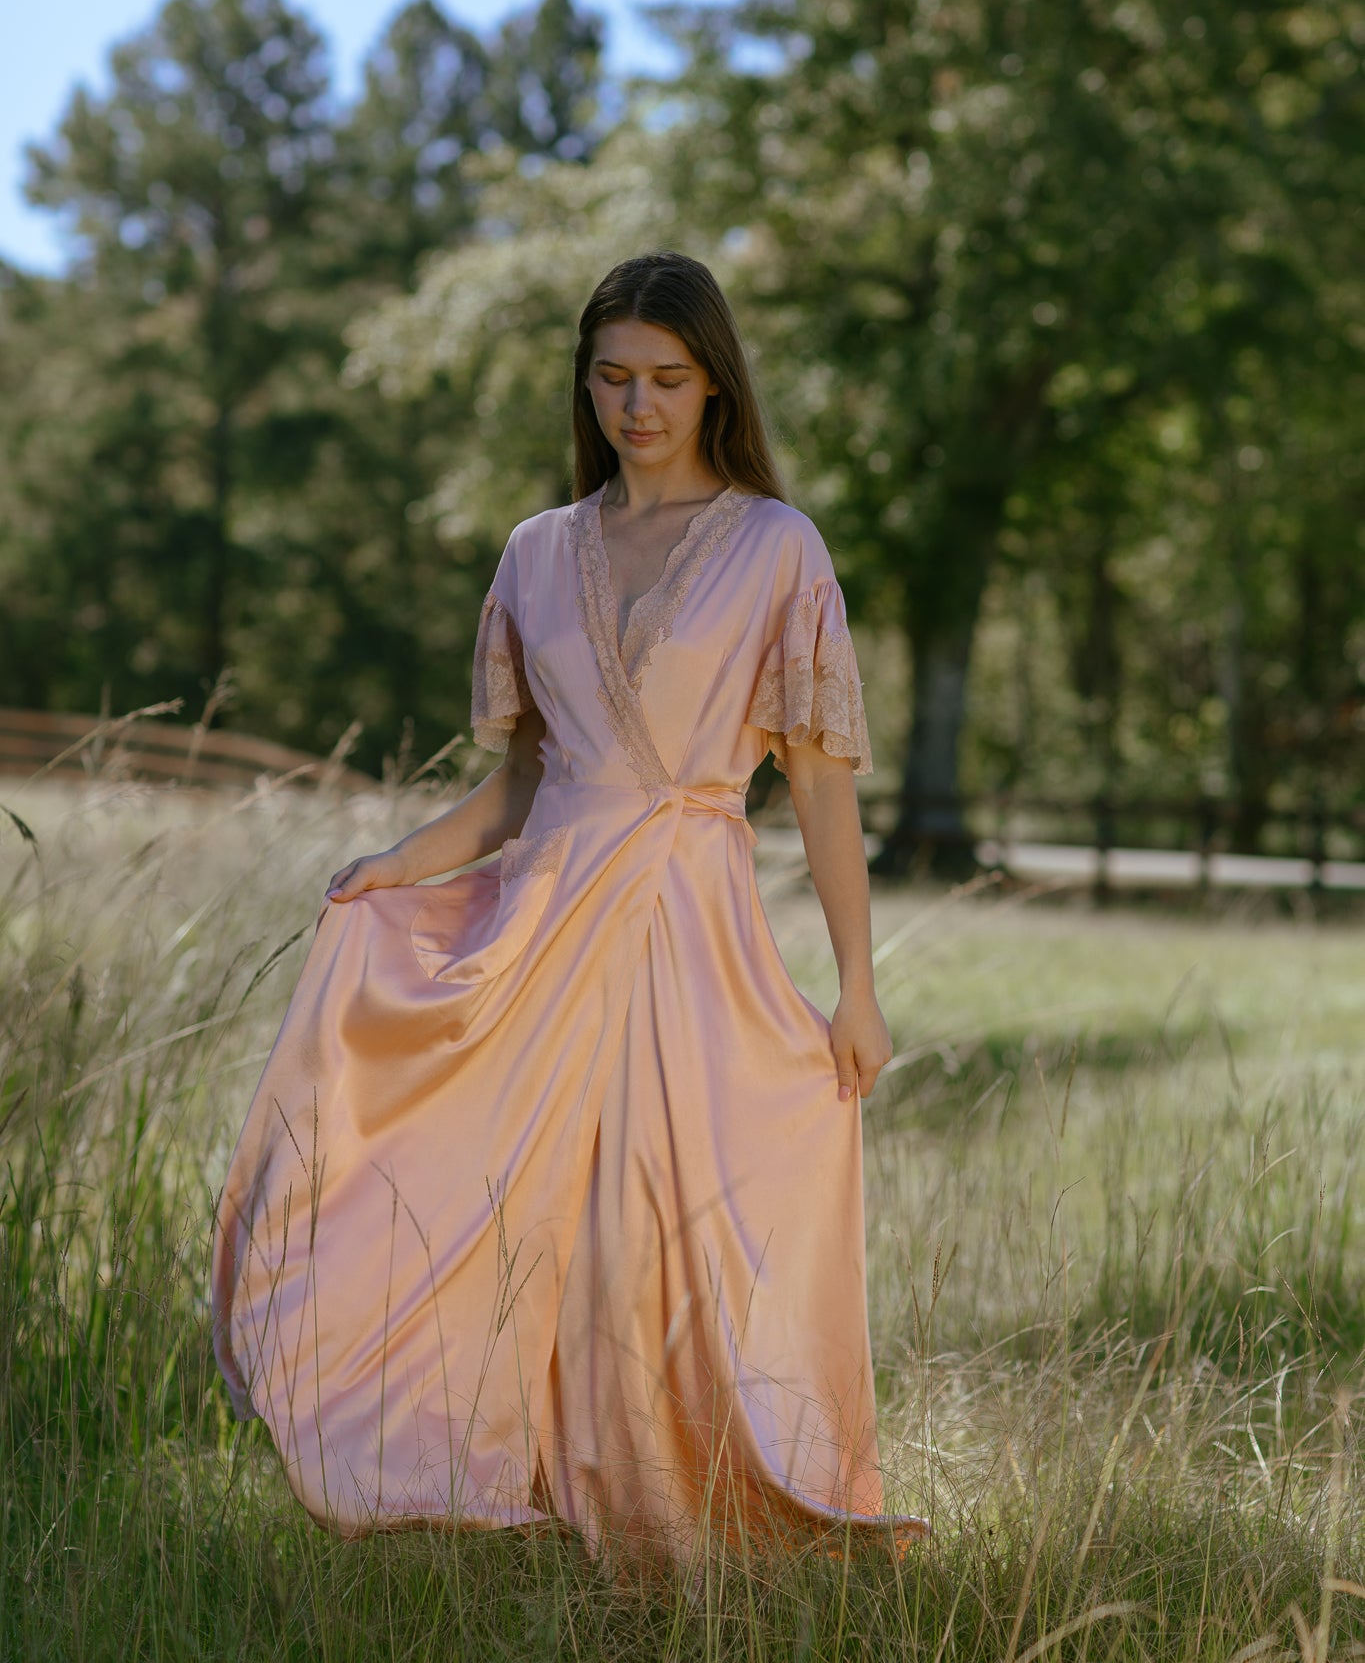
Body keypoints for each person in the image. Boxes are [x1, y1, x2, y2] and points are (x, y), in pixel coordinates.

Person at [211, 251, 927, 1561]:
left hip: (686, 917)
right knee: (509, 1195)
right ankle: (503, 1461)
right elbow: (522, 781)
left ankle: (673, 1495)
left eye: (665, 378)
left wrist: (858, 987)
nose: (636, 405)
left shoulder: (778, 546)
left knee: (662, 1205)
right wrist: (399, 866)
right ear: (583, 383)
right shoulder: (538, 551)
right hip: (540, 918)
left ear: (714, 383)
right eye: (611, 378)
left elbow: (820, 784)